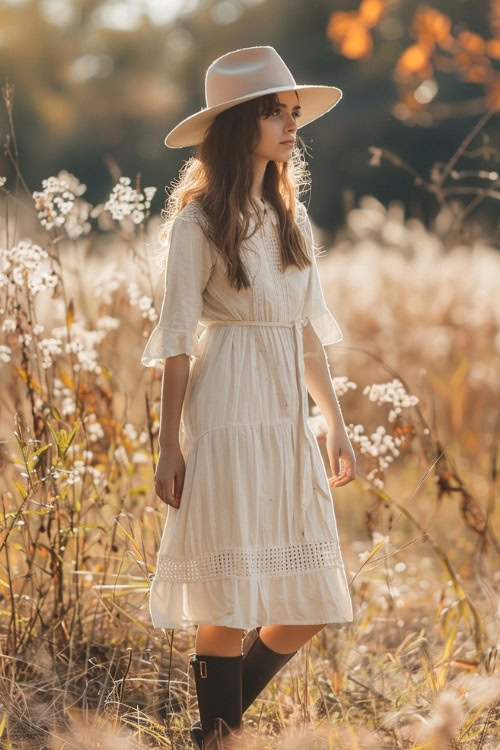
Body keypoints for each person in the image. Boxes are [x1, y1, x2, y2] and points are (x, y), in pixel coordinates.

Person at [141, 45, 356, 749]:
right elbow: (175, 337)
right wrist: (169, 443)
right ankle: (220, 738)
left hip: (286, 415)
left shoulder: (291, 220)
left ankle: (210, 734)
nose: (292, 126)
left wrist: (335, 422)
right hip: (228, 406)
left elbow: (306, 334)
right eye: (276, 113)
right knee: (227, 595)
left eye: (294, 113)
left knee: (313, 598)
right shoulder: (197, 223)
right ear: (240, 125)